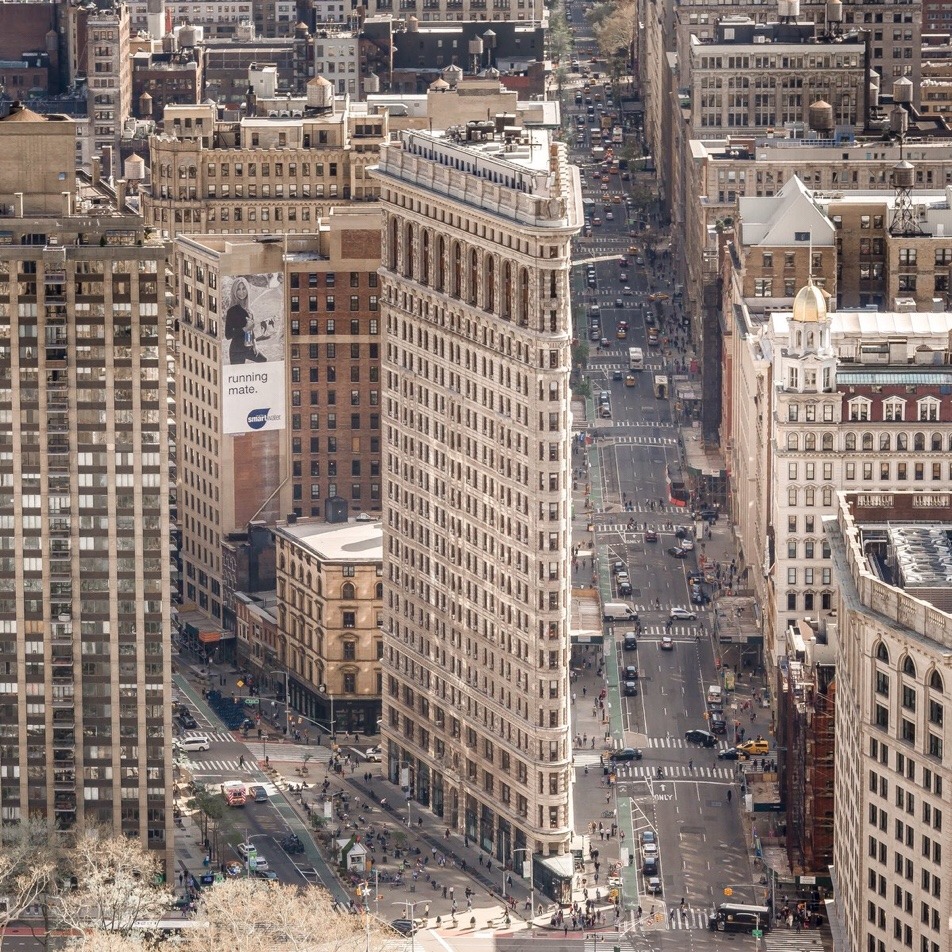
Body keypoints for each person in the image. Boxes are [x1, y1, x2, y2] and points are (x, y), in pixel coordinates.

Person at [224, 278, 267, 365]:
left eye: (243, 288)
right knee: (238, 376)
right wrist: (245, 329)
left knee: (264, 361)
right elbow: (228, 335)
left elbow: (251, 330)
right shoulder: (232, 311)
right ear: (234, 292)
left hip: (249, 348)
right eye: (238, 289)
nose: (241, 292)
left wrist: (255, 344)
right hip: (237, 351)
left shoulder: (249, 311)